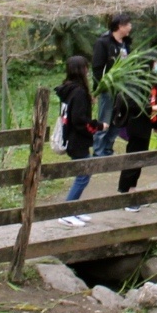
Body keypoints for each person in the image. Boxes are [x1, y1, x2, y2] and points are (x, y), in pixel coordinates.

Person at [55, 56, 98, 228]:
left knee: (84, 173)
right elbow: (79, 120)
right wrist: (97, 125)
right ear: (82, 70)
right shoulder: (78, 92)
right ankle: (66, 212)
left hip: (71, 138)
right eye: (86, 68)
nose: (88, 71)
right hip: (76, 140)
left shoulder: (68, 89)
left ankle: (73, 208)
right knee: (83, 174)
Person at [114, 77, 157, 211]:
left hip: (147, 125)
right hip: (136, 125)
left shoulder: (154, 80)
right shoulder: (135, 81)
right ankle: (125, 195)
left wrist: (156, 123)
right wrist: (153, 108)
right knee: (133, 159)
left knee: (140, 160)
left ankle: (132, 190)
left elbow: (156, 99)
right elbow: (132, 104)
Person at [90, 14, 134, 159]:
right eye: (128, 24)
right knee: (105, 119)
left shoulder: (125, 43)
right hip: (108, 89)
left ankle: (108, 149)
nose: (130, 27)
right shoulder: (103, 43)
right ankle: (98, 152)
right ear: (120, 26)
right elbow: (97, 68)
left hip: (123, 89)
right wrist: (98, 89)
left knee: (118, 120)